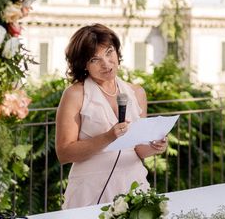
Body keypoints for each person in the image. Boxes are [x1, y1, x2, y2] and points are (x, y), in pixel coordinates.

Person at [55, 24, 168, 208]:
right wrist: (108, 137)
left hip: (133, 185)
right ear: (84, 64)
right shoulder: (75, 94)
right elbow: (64, 153)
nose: (106, 64)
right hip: (90, 190)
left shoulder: (137, 92)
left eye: (109, 52)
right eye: (94, 59)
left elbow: (139, 150)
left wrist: (155, 146)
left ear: (117, 51)